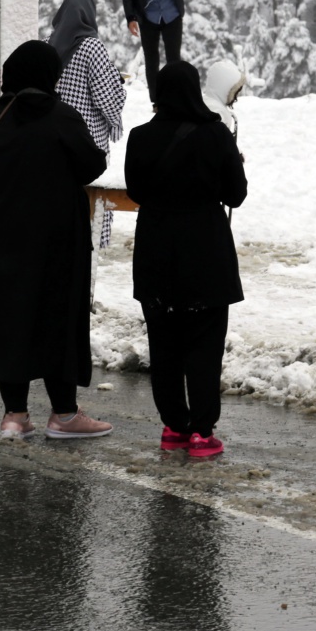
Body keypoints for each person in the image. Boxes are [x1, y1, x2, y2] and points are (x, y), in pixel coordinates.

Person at [0, 41, 113, 440]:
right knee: (56, 320)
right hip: (55, 242)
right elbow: (91, 163)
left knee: (8, 321)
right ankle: (64, 415)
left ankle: (14, 416)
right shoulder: (61, 116)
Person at [124, 60, 248, 459]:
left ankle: (174, 426)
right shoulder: (215, 134)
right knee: (204, 343)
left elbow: (137, 191)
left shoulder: (140, 137)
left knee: (163, 341)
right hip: (205, 248)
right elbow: (236, 195)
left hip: (156, 246)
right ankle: (202, 432)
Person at [50, 0, 126, 249]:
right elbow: (107, 98)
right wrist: (119, 90)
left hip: (56, 135)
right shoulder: (92, 46)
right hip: (87, 138)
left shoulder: (52, 43)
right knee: (90, 197)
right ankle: (91, 245)